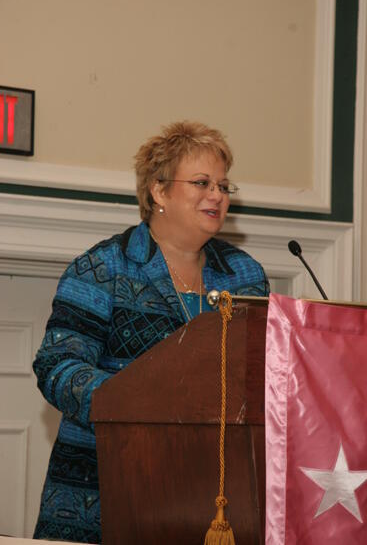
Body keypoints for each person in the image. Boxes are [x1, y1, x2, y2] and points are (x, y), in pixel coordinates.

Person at [33, 121, 269, 543]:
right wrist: (136, 404)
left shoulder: (245, 276)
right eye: (201, 183)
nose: (217, 195)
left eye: (223, 185)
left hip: (215, 493)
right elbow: (57, 366)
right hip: (105, 484)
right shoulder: (104, 268)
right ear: (159, 192)